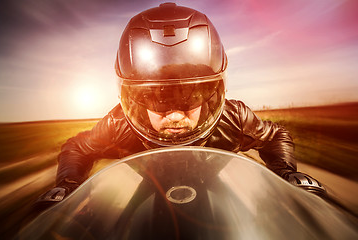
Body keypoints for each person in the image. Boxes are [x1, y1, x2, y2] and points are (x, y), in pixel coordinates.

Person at [37, 3, 325, 206]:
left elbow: (275, 137)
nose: (174, 114)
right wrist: (67, 186)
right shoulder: (119, 124)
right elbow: (77, 147)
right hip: (150, 190)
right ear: (134, 99)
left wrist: (287, 174)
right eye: (157, 98)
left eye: (191, 96)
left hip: (214, 185)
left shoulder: (234, 116)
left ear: (213, 92)